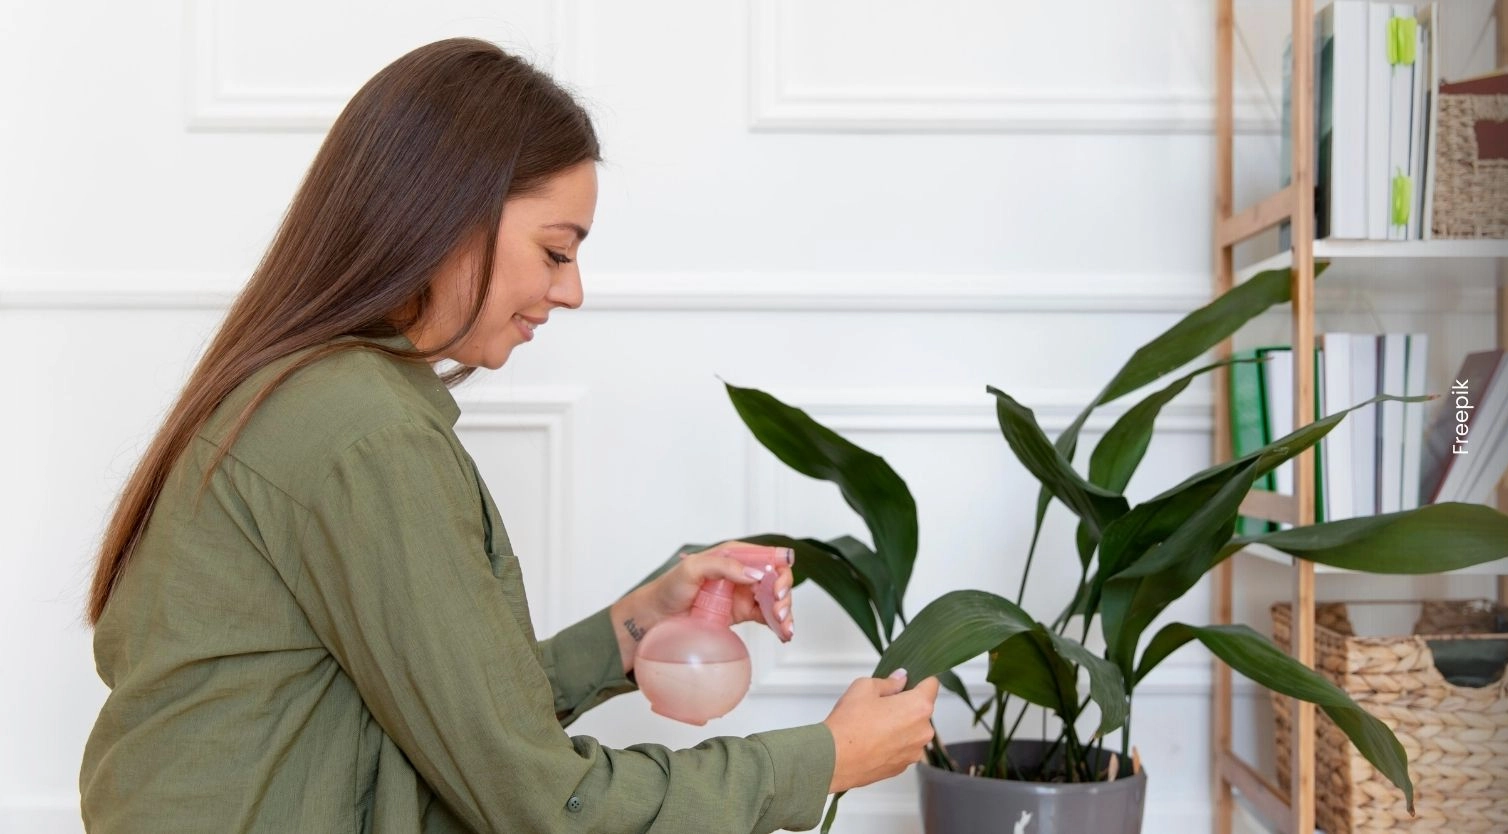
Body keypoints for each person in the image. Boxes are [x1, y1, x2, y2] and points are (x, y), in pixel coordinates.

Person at [78, 37, 938, 833]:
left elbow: (446, 717)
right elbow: (539, 802)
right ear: (445, 215)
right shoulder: (365, 433)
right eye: (557, 251)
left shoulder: (317, 397)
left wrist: (636, 626)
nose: (572, 293)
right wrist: (822, 760)